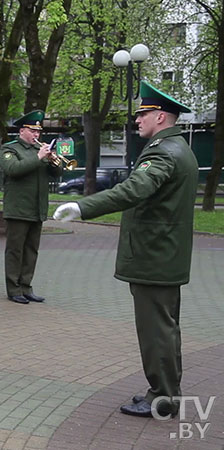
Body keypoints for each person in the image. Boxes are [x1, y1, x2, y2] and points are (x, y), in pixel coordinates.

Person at [54, 81, 197, 418]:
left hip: (155, 257)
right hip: (165, 256)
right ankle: (164, 391)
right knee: (164, 328)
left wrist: (84, 207)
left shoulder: (163, 152)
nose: (137, 120)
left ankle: (163, 397)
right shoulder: (180, 148)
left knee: (156, 332)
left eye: (142, 114)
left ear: (160, 116)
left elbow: (134, 189)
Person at [0, 110, 61, 304]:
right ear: (23, 130)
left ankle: (26, 286)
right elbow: (13, 170)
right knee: (15, 251)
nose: (37, 135)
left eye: (38, 132)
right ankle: (13, 288)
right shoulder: (9, 149)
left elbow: (57, 174)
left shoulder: (39, 150)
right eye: (33, 131)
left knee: (31, 250)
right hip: (18, 209)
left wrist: (54, 160)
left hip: (37, 208)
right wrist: (39, 157)